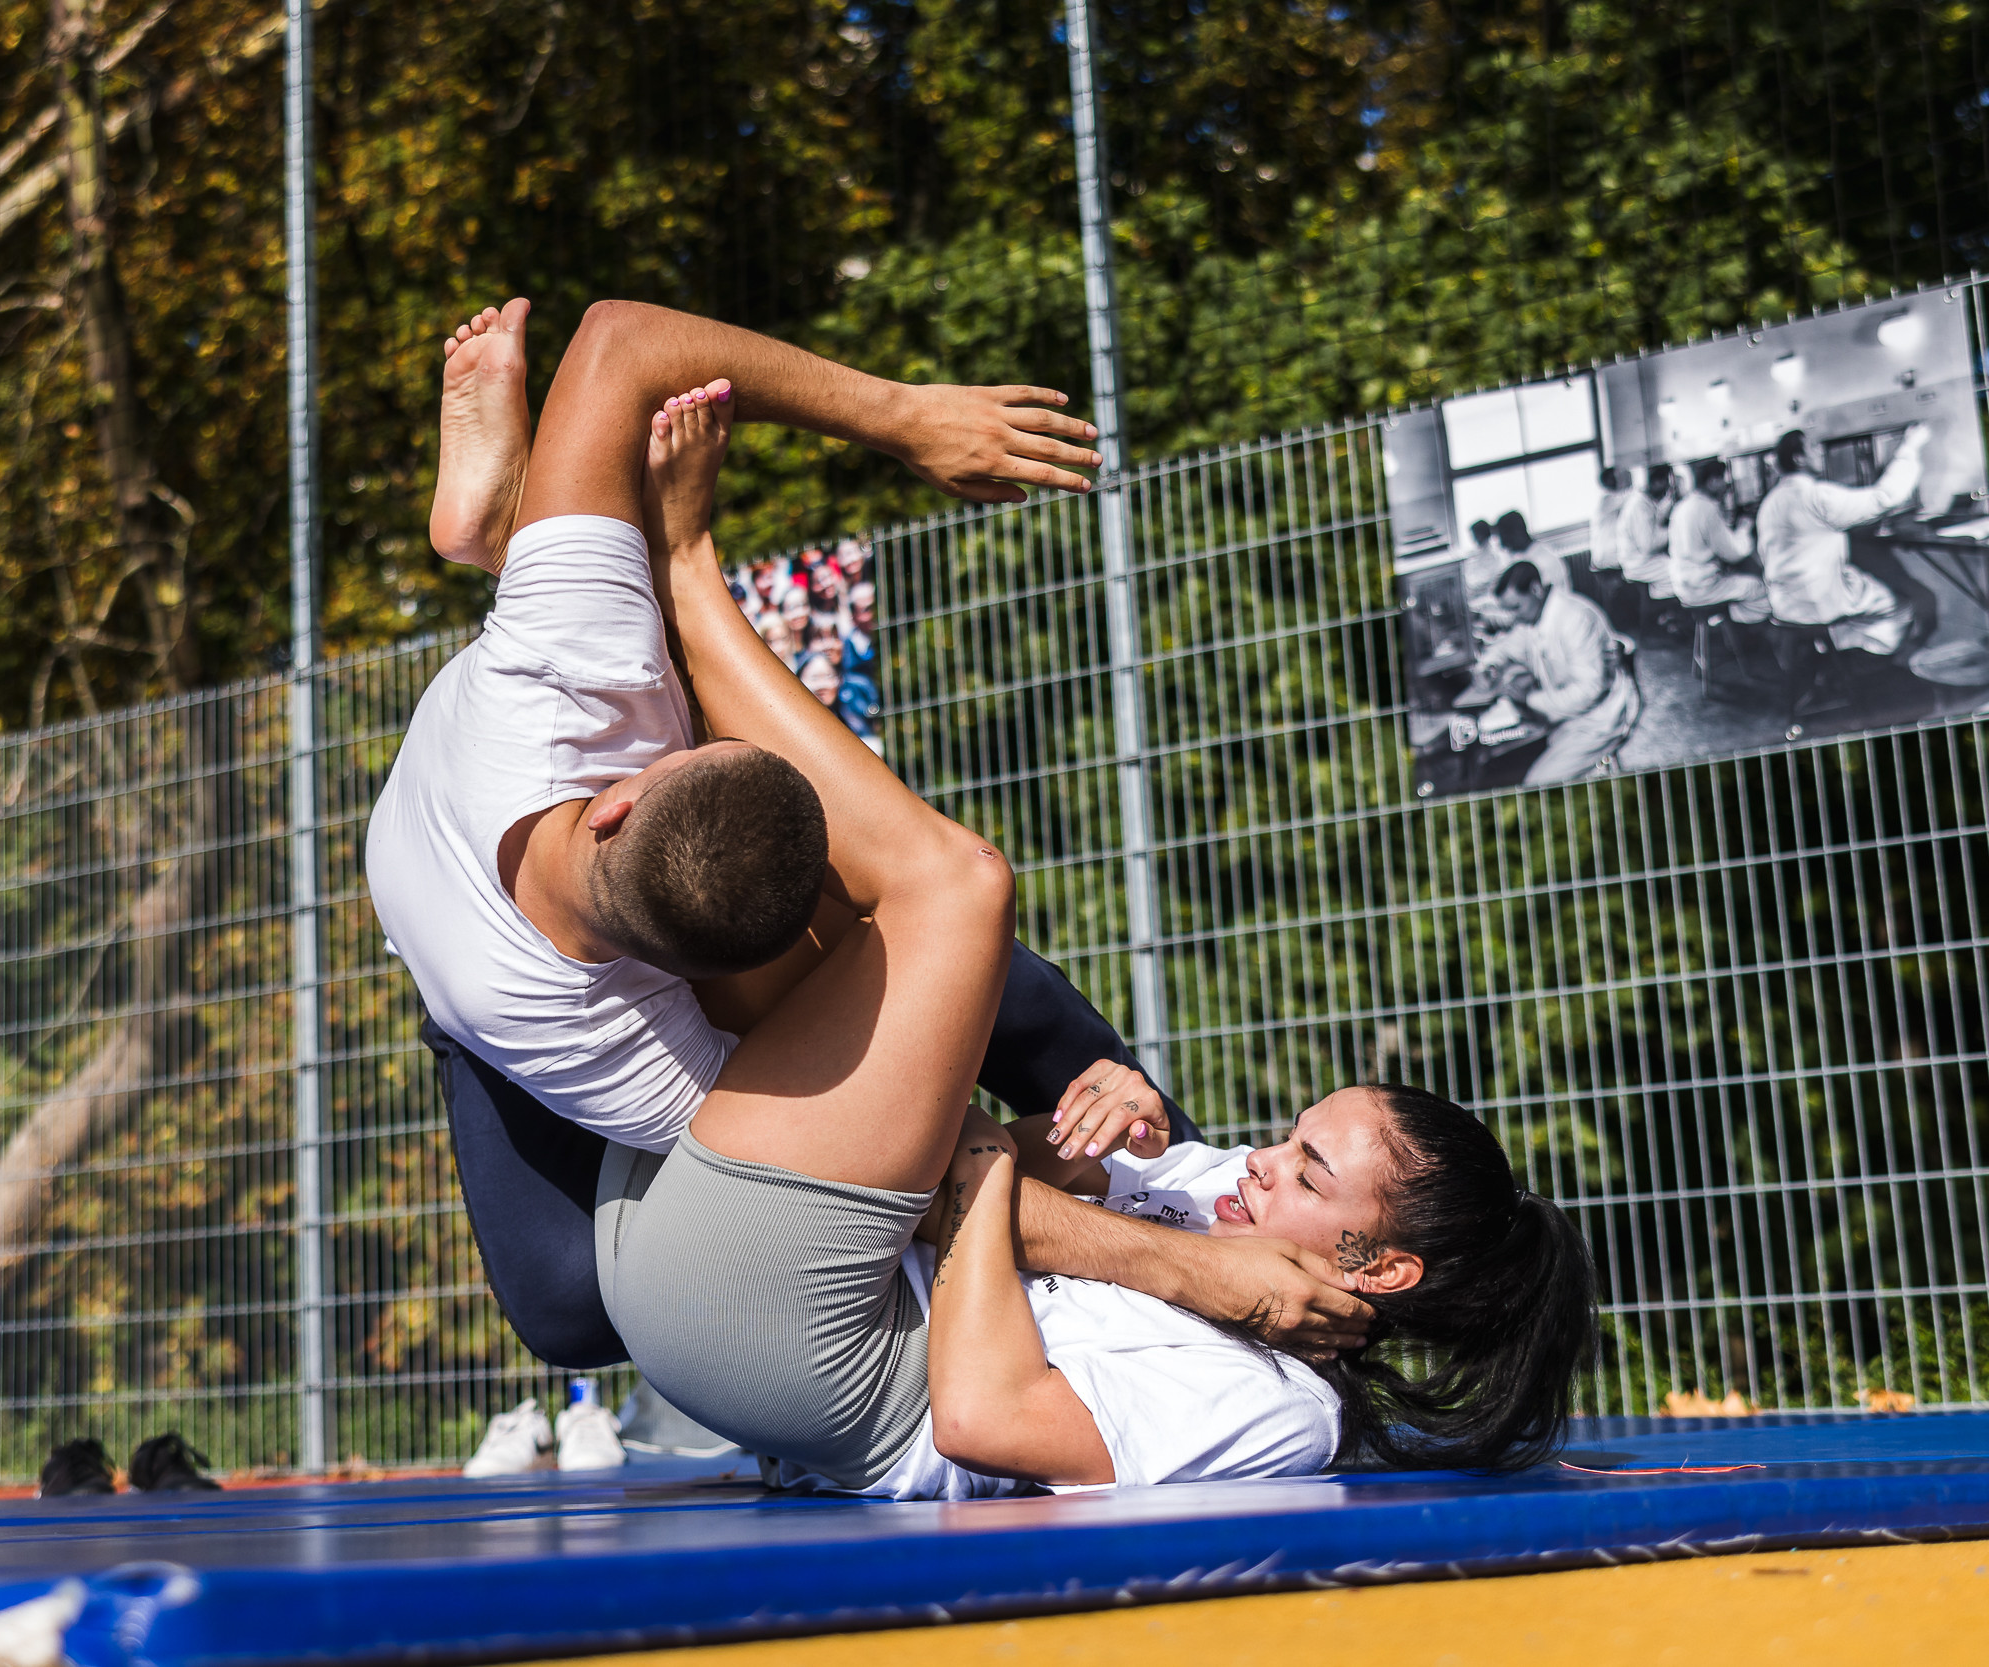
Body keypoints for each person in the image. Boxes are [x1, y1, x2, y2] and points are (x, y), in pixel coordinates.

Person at [596, 387, 1597, 1496]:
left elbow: (982, 1414)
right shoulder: (1215, 1187)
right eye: (1290, 1136)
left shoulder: (1282, 1406)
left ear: (1384, 1268)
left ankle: (685, 578)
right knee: (762, 888)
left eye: (1307, 1171)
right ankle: (580, 595)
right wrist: (1063, 1147)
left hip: (808, 1346)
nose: (1260, 1160)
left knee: (962, 887)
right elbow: (936, 1188)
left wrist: (978, 1154)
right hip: (721, 1241)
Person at [380, 298, 1374, 1377]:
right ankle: (515, 534)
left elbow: (621, 337)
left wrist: (908, 416)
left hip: (483, 818)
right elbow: (908, 1185)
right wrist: (1194, 1269)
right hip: (475, 993)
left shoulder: (569, 662)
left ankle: (504, 534)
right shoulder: (625, 1047)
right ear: (713, 981)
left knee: (1002, 998)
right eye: (698, 733)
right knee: (576, 1313)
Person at [1756, 426, 1934, 655]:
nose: (1820, 451)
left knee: (1859, 595)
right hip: (1819, 601)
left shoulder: (1769, 502)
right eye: (1812, 448)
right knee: (1900, 606)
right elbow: (1883, 498)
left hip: (1784, 603)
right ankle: (1873, 661)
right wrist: (1910, 447)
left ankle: (1840, 653)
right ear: (1799, 458)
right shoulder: (1815, 495)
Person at [1474, 561, 1640, 785]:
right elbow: (1509, 645)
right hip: (1570, 716)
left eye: (1516, 607)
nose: (1514, 617)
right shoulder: (1534, 615)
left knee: (1537, 784)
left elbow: (1588, 692)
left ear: (1536, 589)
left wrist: (1529, 699)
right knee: (1510, 763)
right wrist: (1489, 665)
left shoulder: (1575, 618)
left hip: (1599, 720)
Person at [1668, 460, 1769, 623]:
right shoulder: (1707, 508)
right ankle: (1741, 630)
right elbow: (1734, 554)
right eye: (1722, 479)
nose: (1725, 485)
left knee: (1736, 579)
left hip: (1682, 585)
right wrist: (1744, 528)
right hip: (1703, 588)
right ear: (1713, 481)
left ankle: (1726, 623)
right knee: (1757, 587)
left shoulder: (1681, 506)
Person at [1616, 464, 1677, 599]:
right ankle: (1664, 607)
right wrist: (1675, 530)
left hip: (1641, 558)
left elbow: (1653, 519)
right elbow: (1649, 544)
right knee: (1681, 573)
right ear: (1656, 482)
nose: (1667, 487)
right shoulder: (1639, 505)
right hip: (1639, 562)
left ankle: (1664, 603)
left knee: (1680, 569)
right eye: (1666, 483)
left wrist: (1668, 505)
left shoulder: (1642, 500)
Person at [1589, 467, 1630, 575]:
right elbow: (1632, 496)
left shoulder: (1608, 499)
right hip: (1608, 560)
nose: (1623, 480)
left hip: (1603, 558)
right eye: (1620, 477)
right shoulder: (1608, 499)